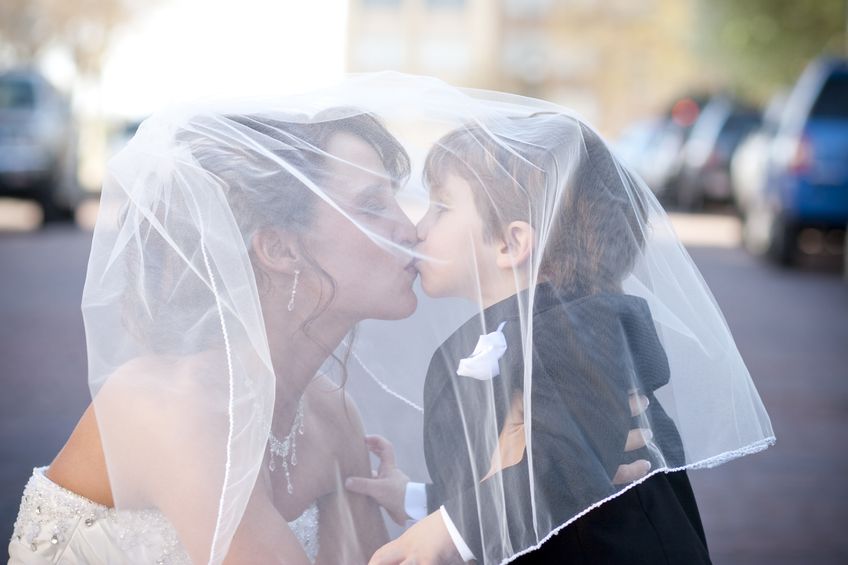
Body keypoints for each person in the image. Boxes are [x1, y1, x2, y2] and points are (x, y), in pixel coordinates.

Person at [348, 108, 772, 564]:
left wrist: (448, 530)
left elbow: (560, 459)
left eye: (443, 208)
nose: (418, 228)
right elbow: (518, 479)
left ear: (512, 243)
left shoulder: (579, 329)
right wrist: (416, 499)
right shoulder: (529, 330)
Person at [8, 108, 420, 564]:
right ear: (279, 248)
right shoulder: (169, 407)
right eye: (373, 207)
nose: (412, 229)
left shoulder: (332, 414)